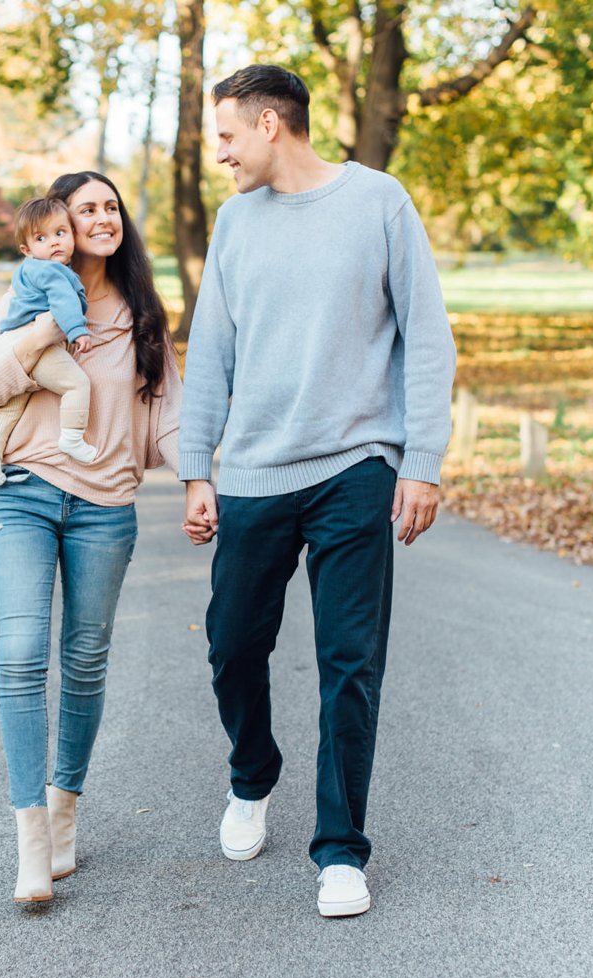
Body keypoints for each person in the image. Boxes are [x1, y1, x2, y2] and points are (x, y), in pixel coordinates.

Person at [179, 65, 457, 918]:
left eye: (227, 136)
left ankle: (340, 849)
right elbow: (211, 352)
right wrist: (198, 470)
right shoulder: (234, 221)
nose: (219, 153)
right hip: (257, 473)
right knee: (232, 644)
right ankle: (252, 773)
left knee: (350, 664)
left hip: (356, 468)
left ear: (270, 125)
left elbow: (428, 336)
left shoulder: (379, 203)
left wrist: (421, 461)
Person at [0, 171, 181, 904]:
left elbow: (168, 418)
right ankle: (29, 840)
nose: (102, 217)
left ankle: (63, 818)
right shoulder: (26, 296)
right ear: (58, 221)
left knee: (83, 662)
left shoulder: (143, 315)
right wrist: (44, 331)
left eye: (111, 206)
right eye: (86, 208)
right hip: (22, 495)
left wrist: (203, 481)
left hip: (105, 508)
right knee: (21, 655)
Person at [0, 196, 99, 486]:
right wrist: (77, 331)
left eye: (60, 233)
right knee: (77, 384)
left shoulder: (25, 271)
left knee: (12, 406)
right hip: (38, 344)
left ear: (72, 233)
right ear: (27, 249)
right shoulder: (52, 270)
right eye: (42, 238)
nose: (54, 242)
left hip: (13, 343)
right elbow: (63, 300)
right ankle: (71, 437)